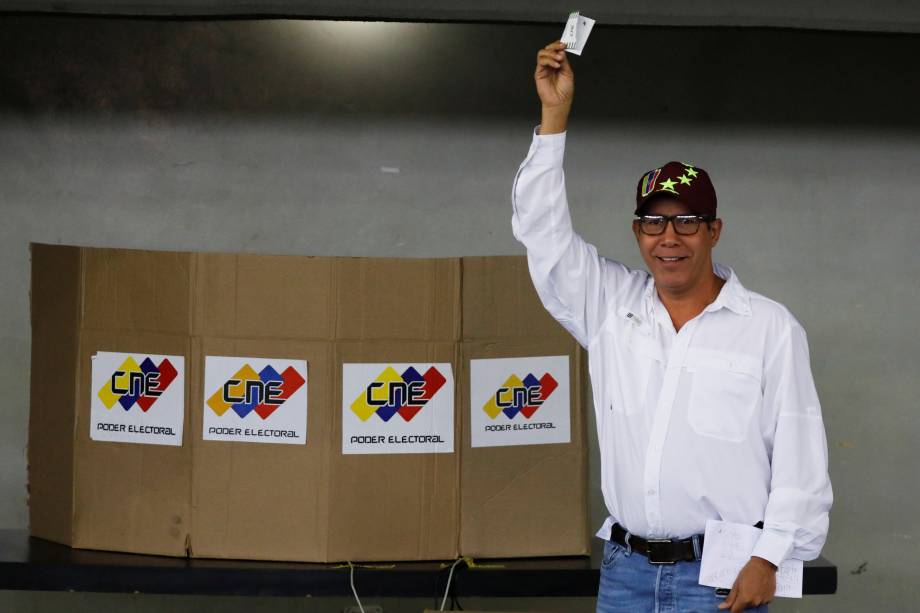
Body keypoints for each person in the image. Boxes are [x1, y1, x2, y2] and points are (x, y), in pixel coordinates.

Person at [512, 41, 833, 613]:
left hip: (722, 578)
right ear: (637, 233)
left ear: (714, 230)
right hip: (625, 575)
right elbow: (542, 235)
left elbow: (800, 455)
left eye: (687, 221)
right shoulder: (610, 308)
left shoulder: (768, 327)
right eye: (653, 223)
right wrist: (554, 117)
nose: (670, 237)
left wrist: (771, 558)